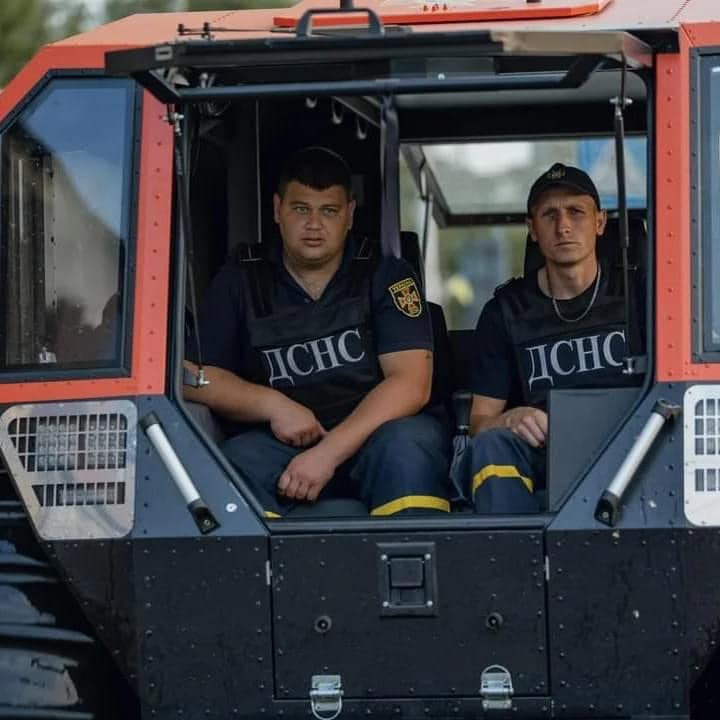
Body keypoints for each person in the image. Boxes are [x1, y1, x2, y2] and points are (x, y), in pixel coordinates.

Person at [185, 146, 450, 517]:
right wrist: (273, 405)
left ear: (349, 215)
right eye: (300, 209)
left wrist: (328, 452)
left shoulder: (386, 273)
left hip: (379, 436)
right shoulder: (240, 279)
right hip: (282, 442)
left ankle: (409, 553)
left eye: (329, 211)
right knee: (233, 463)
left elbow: (411, 384)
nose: (314, 224)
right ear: (277, 209)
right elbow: (191, 375)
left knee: (410, 446)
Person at [465, 162, 641, 513]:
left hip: (634, 443)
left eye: (576, 212)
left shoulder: (643, 294)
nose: (563, 227)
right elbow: (479, 425)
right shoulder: (505, 310)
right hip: (545, 454)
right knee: (490, 445)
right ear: (532, 229)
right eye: (550, 215)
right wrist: (510, 419)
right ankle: (513, 548)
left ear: (600, 223)